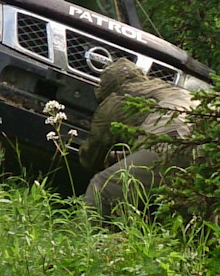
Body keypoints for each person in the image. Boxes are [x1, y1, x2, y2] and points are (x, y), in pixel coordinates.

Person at [80, 58, 196, 219]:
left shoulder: (116, 99)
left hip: (172, 140)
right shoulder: (167, 88)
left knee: (102, 187)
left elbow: (92, 158)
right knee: (198, 209)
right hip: (216, 142)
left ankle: (89, 240)